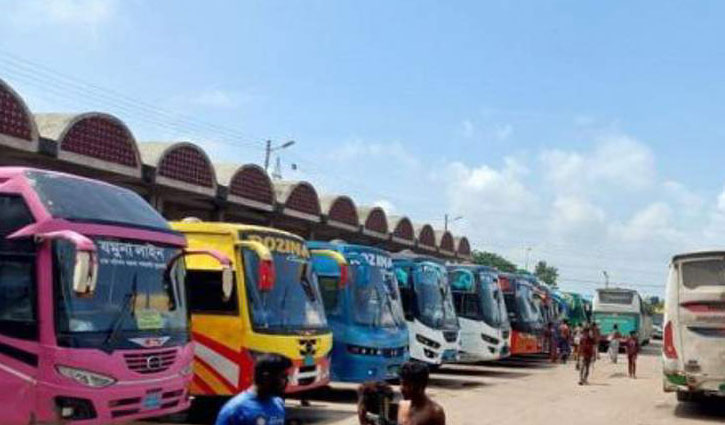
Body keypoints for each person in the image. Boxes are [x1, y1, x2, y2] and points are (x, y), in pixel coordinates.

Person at [215, 354, 292, 425]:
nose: (287, 381)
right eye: (283, 376)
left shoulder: (278, 404)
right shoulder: (236, 409)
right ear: (266, 377)